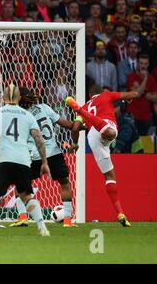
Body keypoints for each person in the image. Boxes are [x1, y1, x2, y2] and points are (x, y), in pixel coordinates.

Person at [0, 84, 51, 237]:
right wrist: (44, 162)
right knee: (27, 196)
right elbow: (39, 139)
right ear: (19, 98)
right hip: (23, 160)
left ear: (3, 98)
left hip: (3, 159)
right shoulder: (28, 115)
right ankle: (43, 228)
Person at [66, 85, 138, 227]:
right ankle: (120, 212)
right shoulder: (106, 95)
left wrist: (74, 144)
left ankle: (121, 213)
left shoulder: (87, 105)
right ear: (99, 93)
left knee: (109, 177)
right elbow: (134, 93)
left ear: (89, 95)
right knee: (110, 132)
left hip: (92, 136)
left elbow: (75, 128)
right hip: (104, 125)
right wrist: (128, 98)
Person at [9, 87, 76, 228]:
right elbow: (64, 123)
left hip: (34, 156)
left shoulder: (20, 115)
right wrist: (77, 125)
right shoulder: (44, 107)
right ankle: (68, 221)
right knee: (64, 183)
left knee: (20, 183)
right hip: (53, 153)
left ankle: (22, 217)